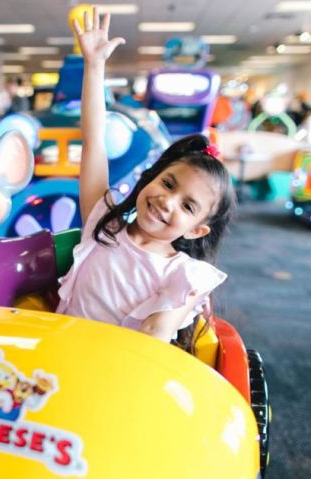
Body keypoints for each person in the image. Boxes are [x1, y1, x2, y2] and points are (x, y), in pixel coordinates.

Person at [57, 7, 236, 347]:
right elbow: (94, 140)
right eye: (168, 184)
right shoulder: (104, 225)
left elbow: (154, 336)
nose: (167, 201)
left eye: (187, 206)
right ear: (150, 178)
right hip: (63, 360)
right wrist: (94, 66)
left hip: (122, 375)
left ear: (198, 229)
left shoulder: (183, 274)